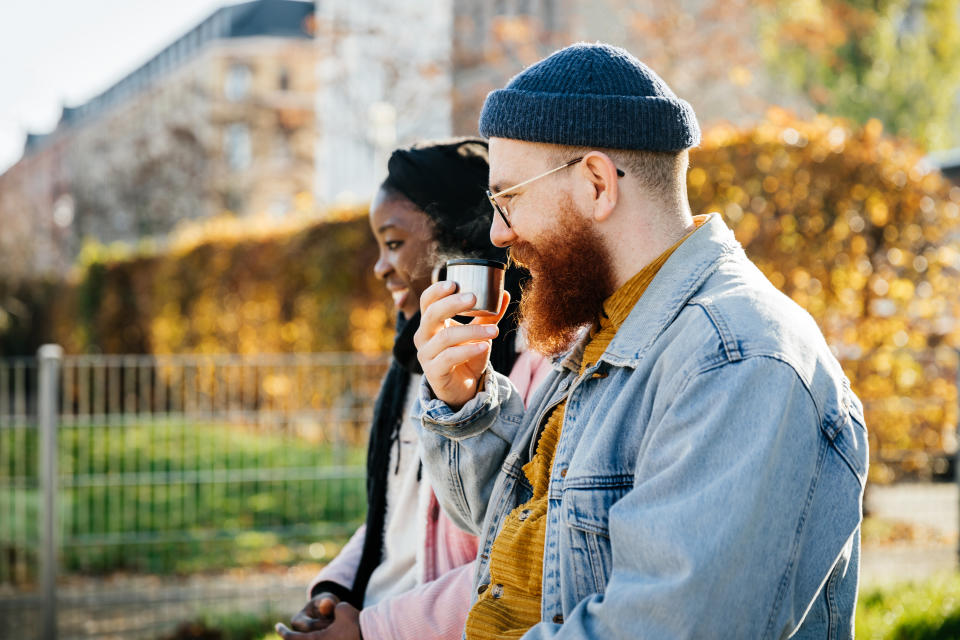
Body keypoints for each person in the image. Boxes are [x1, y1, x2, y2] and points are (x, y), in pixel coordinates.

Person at [413, 43, 868, 639]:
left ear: (598, 183)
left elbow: (669, 627)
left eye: (508, 198)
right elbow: (528, 537)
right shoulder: (616, 328)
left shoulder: (737, 359)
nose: (499, 232)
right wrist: (466, 403)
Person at [276, 138, 550, 640]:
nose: (380, 267)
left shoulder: (540, 363)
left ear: (460, 243)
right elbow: (392, 517)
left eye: (395, 243)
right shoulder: (412, 364)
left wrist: (373, 630)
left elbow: (521, 560)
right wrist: (335, 590)